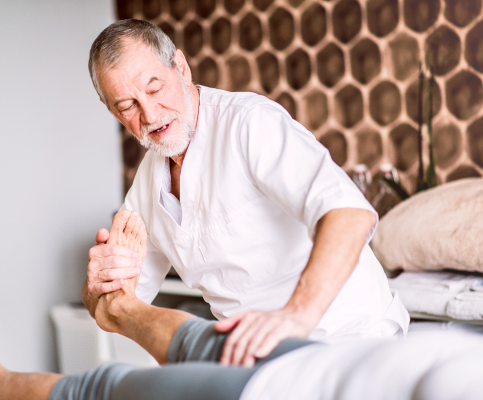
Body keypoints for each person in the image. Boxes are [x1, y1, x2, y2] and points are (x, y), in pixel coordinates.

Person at [82, 19, 409, 366]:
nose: (149, 114)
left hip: (349, 338)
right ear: (111, 110)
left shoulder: (249, 123)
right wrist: (97, 287)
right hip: (260, 361)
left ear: (180, 67)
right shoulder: (148, 183)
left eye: (154, 88)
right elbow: (111, 309)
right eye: (127, 106)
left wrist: (297, 316)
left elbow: (349, 214)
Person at [0, 212, 483, 400]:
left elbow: (352, 212)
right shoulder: (160, 166)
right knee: (197, 335)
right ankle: (120, 309)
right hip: (313, 356)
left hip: (274, 396)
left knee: (98, 388)